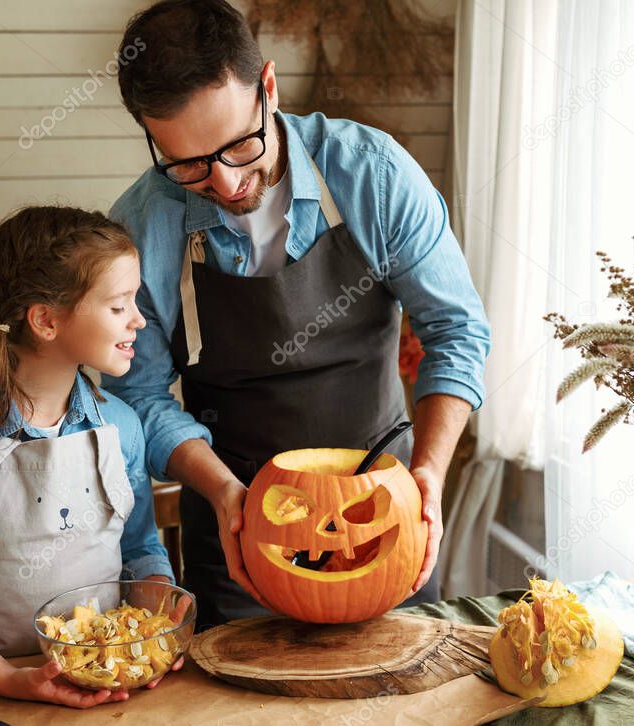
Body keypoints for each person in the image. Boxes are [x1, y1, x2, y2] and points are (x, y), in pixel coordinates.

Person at [104, 0, 491, 630]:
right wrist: (228, 495)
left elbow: (457, 331)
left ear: (269, 88)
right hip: (240, 528)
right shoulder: (143, 226)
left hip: (381, 514)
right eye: (190, 165)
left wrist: (428, 474)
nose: (226, 184)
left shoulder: (376, 174)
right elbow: (139, 394)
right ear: (152, 137)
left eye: (238, 146)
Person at [0, 206, 179, 708]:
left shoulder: (122, 428)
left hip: (111, 687)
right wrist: (7, 680)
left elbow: (140, 552)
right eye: (118, 305)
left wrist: (155, 629)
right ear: (45, 319)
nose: (139, 319)